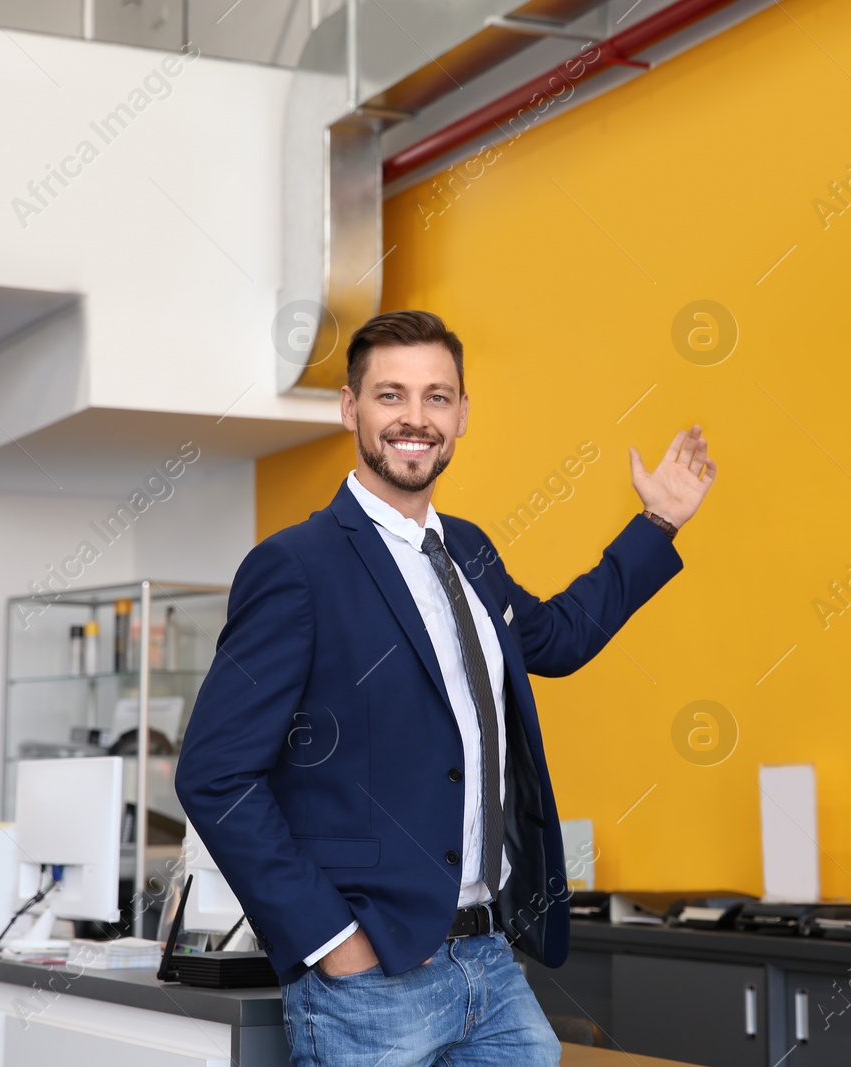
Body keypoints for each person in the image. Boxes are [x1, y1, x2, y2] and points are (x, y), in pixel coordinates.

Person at [176, 309, 716, 1066]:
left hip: (490, 963)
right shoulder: (297, 566)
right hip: (370, 977)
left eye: (437, 397)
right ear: (349, 407)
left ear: (462, 413)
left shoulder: (469, 550)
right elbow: (214, 772)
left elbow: (555, 640)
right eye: (390, 395)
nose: (415, 418)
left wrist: (657, 523)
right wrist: (332, 941)